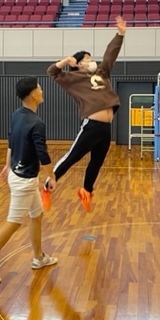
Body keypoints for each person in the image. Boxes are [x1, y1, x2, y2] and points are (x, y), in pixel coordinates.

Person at [0, 76, 58, 285]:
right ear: (33, 95)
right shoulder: (37, 123)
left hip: (19, 175)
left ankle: (39, 257)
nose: (42, 91)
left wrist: (8, 165)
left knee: (36, 215)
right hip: (24, 181)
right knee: (13, 222)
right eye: (39, 88)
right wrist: (52, 176)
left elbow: (11, 141)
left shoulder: (17, 114)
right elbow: (42, 154)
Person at [42, 15, 127, 213]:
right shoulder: (72, 78)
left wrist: (120, 35)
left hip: (106, 128)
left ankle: (86, 191)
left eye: (91, 57)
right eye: (87, 58)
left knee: (96, 162)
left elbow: (110, 54)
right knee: (72, 158)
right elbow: (52, 72)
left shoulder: (102, 72)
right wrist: (66, 60)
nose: (91, 60)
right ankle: (46, 188)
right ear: (79, 63)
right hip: (92, 125)